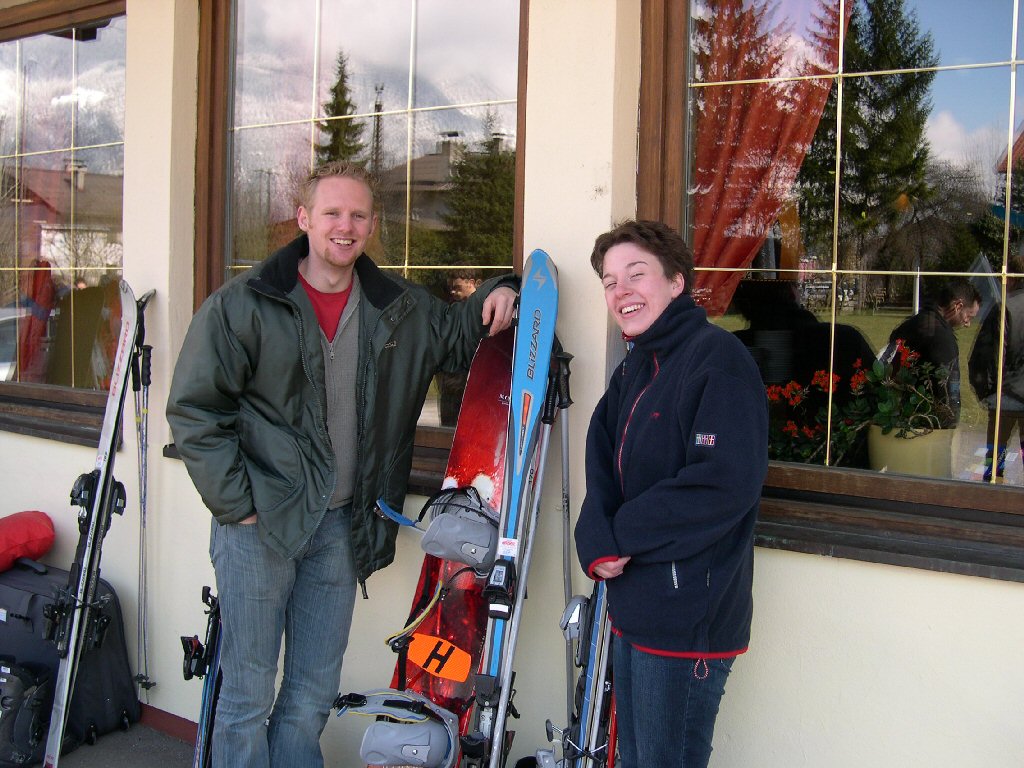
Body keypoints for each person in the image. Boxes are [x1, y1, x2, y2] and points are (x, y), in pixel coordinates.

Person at [166, 160, 516, 768]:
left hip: (340, 529)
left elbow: (460, 335)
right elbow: (195, 411)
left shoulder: (398, 308)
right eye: (331, 212)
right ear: (304, 219)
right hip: (260, 528)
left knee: (310, 694)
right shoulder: (244, 305)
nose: (345, 226)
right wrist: (238, 505)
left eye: (357, 215)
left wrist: (502, 291)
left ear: (372, 225)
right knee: (246, 696)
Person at [575, 220, 768, 768]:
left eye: (637, 274)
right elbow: (601, 457)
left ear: (677, 281)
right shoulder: (637, 367)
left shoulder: (718, 360)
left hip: (688, 618)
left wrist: (622, 535)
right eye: (610, 282)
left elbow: (723, 482)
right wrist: (594, 538)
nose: (621, 292)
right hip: (633, 609)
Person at [887, 279, 981, 428]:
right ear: (958, 306)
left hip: (895, 415)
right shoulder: (942, 339)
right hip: (925, 426)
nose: (968, 324)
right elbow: (948, 392)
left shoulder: (911, 324)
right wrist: (950, 423)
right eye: (969, 316)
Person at [969, 255, 1024, 482]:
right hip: (1009, 393)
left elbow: (983, 357)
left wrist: (987, 392)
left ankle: (992, 495)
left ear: (1009, 278)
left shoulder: (1004, 309)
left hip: (1006, 398)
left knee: (995, 459)